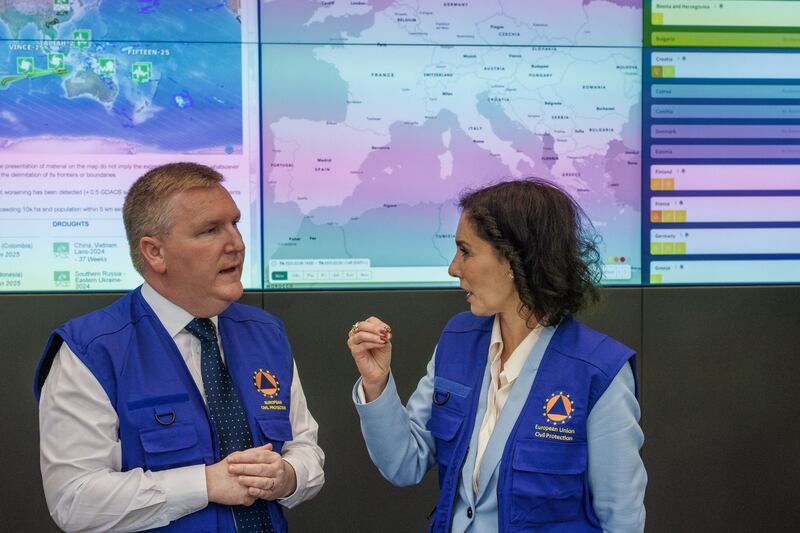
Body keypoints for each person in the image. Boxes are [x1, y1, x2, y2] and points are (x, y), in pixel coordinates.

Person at [35, 162, 324, 532]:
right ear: (155, 253)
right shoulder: (91, 351)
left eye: (235, 224)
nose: (236, 244)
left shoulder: (266, 333)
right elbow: (73, 500)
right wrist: (203, 485)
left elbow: (306, 449)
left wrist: (289, 475)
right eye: (210, 230)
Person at [347, 180, 646, 532]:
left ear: (514, 258)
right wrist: (376, 383)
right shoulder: (457, 341)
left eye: (465, 251)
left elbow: (621, 519)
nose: (453, 268)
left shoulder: (599, 372)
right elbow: (403, 463)